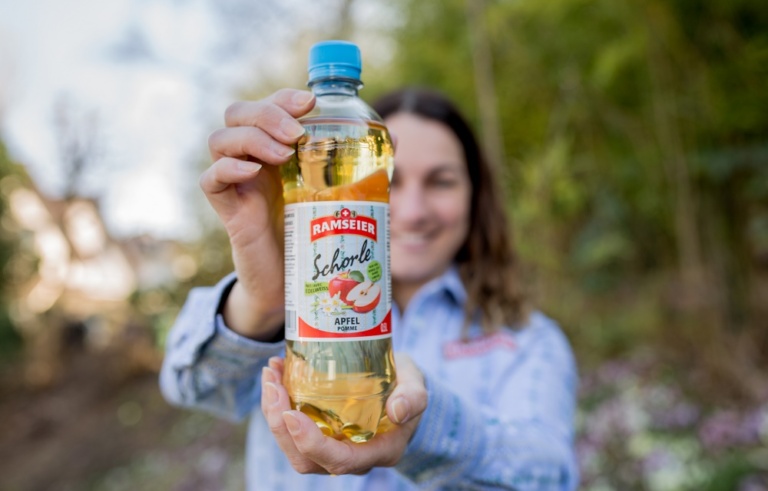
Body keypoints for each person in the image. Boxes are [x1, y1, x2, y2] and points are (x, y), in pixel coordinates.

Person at [160, 86, 579, 490]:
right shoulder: (299, 312)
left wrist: (424, 426)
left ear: (476, 195)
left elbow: (550, 475)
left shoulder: (528, 340)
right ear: (347, 182)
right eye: (391, 182)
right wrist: (261, 303)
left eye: (441, 181)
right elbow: (193, 385)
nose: (413, 212)